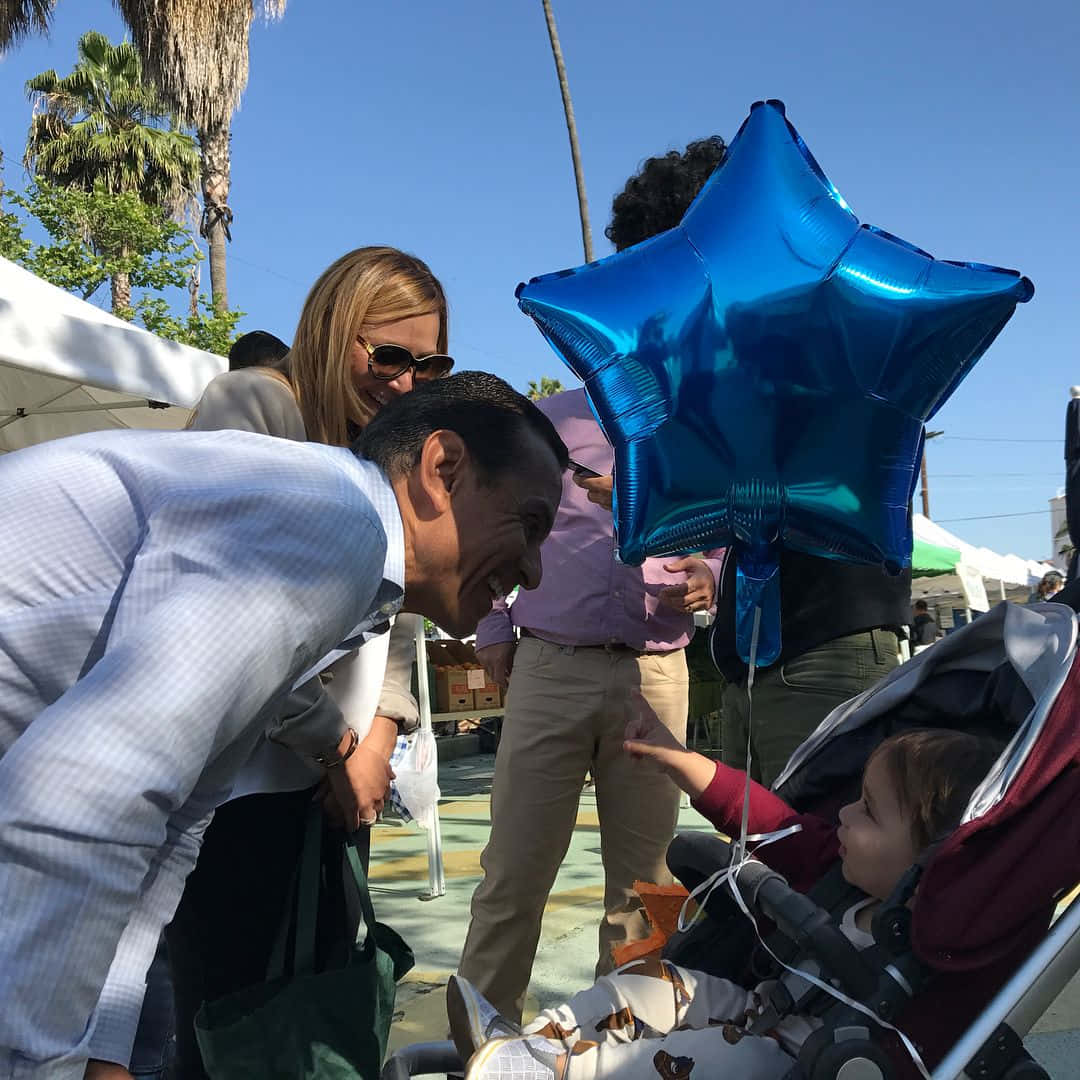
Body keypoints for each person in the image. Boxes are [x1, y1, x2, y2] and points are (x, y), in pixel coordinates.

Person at [0, 372, 567, 1080]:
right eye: (531, 523)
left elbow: (174, 828)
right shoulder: (331, 522)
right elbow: (88, 795)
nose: (536, 571)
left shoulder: (329, 529)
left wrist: (103, 1050)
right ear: (442, 469)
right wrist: (40, 1063)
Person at [163, 246, 451, 1080]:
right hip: (237, 790)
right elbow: (224, 617)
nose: (406, 381)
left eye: (429, 362)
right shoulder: (254, 406)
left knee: (318, 1017)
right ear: (332, 330)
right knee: (229, 1028)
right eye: (386, 354)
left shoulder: (386, 448)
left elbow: (398, 618)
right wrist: (336, 747)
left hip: (334, 788)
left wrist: (373, 742)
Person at [447, 717, 1002, 1080]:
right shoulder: (838, 869)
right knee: (649, 982)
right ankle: (534, 1041)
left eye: (870, 812)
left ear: (934, 860)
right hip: (758, 1007)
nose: (845, 814)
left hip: (804, 1059)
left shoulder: (938, 944)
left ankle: (558, 1071)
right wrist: (682, 762)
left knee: (701, 1058)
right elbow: (771, 819)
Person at [607, 134, 909, 789]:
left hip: (824, 657)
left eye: (662, 270)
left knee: (816, 868)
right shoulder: (756, 349)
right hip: (768, 660)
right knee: (763, 872)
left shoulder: (808, 336)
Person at [458, 386, 722, 1022]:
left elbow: (715, 537)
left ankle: (623, 1043)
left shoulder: (698, 430)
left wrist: (708, 572)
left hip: (656, 670)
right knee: (514, 872)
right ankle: (481, 1047)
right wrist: (492, 626)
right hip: (550, 662)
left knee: (647, 883)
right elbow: (496, 521)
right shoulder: (547, 420)